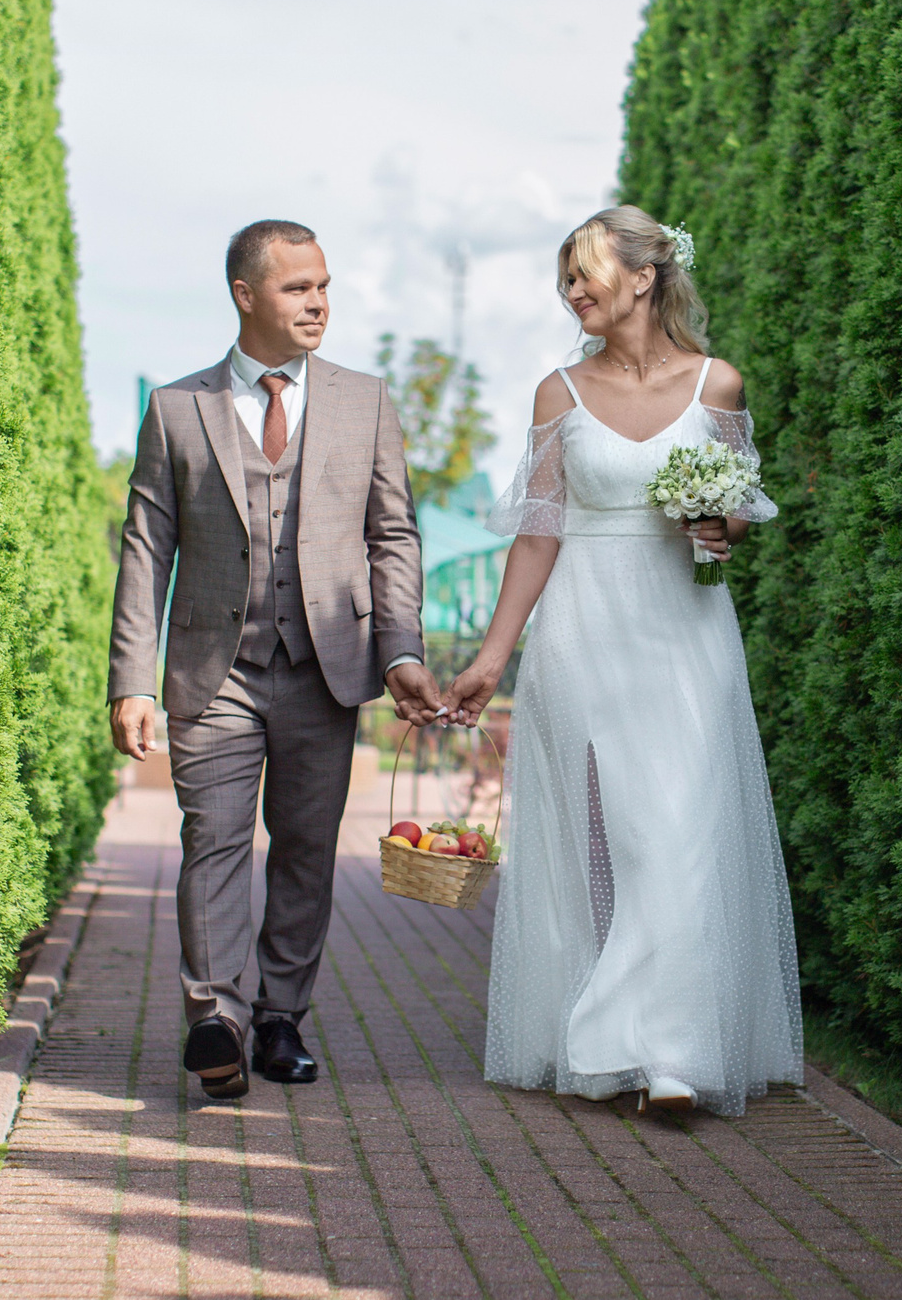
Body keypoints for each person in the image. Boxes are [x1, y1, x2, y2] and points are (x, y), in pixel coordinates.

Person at [442, 205, 803, 1116]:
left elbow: (733, 525)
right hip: (581, 630)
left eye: (587, 272)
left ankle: (673, 1055)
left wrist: (717, 530)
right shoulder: (556, 393)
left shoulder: (717, 385)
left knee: (680, 833)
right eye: (565, 279)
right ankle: (611, 1046)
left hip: (684, 630)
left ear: (644, 276)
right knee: (602, 842)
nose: (573, 291)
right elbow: (535, 536)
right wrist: (494, 658)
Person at [109, 219, 444, 1101]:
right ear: (245, 295)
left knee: (304, 847)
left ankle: (280, 1018)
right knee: (212, 840)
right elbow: (146, 547)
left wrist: (400, 647)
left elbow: (392, 533)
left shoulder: (364, 400)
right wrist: (131, 681)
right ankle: (214, 1016)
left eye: (326, 285)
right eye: (299, 288)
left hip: (323, 666)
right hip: (212, 672)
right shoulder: (178, 408)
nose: (319, 302)